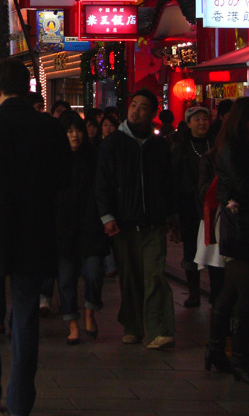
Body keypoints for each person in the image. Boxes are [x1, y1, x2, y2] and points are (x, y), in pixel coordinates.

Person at [0, 58, 70, 416]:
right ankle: (20, 401)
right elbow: (64, 178)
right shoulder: (48, 128)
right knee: (25, 309)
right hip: (34, 224)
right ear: (27, 87)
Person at [96, 88, 177, 349]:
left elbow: (168, 183)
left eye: (143, 107)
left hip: (154, 221)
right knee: (130, 277)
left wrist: (172, 216)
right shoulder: (113, 143)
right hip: (124, 223)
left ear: (153, 113)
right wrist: (107, 216)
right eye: (134, 105)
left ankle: (158, 330)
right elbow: (103, 182)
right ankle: (133, 325)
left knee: (154, 275)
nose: (136, 110)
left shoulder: (159, 146)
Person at [55, 112, 107, 343]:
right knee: (66, 279)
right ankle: (72, 324)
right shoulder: (55, 161)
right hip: (64, 228)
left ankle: (90, 312)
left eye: (77, 130)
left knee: (94, 272)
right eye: (69, 131)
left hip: (90, 225)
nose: (75, 135)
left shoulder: (94, 158)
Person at [214, 98, 249, 381]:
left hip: (239, 225)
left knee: (230, 293)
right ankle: (239, 355)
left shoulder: (236, 148)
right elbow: (241, 186)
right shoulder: (231, 150)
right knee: (243, 295)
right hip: (240, 229)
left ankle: (214, 350)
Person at [171, 105, 212, 307]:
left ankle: (216, 291)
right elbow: (174, 177)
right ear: (188, 123)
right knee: (190, 247)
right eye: (197, 119)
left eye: (205, 118)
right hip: (188, 206)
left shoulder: (215, 144)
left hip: (212, 205)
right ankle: (193, 291)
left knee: (214, 246)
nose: (202, 123)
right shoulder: (181, 147)